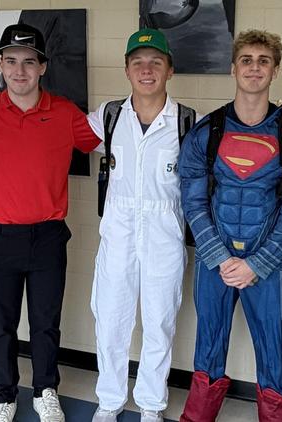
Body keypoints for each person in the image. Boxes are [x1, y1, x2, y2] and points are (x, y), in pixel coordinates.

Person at [0, 23, 100, 422]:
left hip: (48, 236)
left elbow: (108, 138)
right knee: (0, 324)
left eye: (29, 62)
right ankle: (4, 394)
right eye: (11, 61)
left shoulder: (66, 114)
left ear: (42, 68)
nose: (19, 71)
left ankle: (45, 390)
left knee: (46, 323)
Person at [178, 29, 282, 421]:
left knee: (274, 348)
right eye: (246, 60)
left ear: (275, 71)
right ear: (233, 68)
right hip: (214, 260)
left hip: (269, 266)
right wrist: (219, 256)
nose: (254, 68)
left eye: (263, 61)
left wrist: (257, 263)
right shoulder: (206, 133)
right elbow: (193, 199)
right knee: (208, 345)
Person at [87, 28, 197, 422]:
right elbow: (56, 140)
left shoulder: (187, 122)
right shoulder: (108, 117)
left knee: (160, 323)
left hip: (165, 237)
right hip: (117, 235)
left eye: (156, 62)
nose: (146, 69)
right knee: (111, 320)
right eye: (138, 62)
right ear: (127, 69)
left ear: (170, 70)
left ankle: (151, 405)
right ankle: (110, 401)